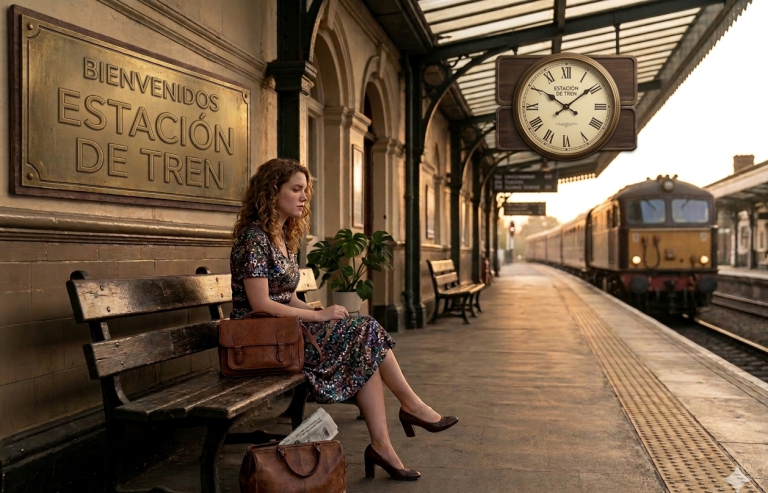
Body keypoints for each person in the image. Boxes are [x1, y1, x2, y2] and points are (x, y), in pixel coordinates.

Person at [229, 158, 458, 481]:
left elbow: (286, 296)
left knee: (364, 342)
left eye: (304, 190)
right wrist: (317, 314)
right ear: (271, 192)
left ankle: (385, 443)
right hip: (260, 342)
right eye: (295, 189)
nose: (303, 197)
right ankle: (409, 410)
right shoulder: (253, 238)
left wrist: (317, 317)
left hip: (285, 334)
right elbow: (260, 302)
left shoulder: (280, 235)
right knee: (364, 334)